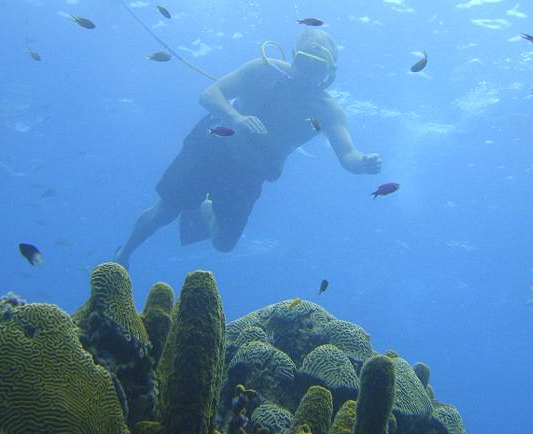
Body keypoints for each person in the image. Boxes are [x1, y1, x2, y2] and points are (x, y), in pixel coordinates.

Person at [115, 29, 382, 268]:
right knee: (164, 211)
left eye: (318, 68)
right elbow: (209, 95)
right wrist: (236, 118)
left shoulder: (327, 110)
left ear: (329, 72)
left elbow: (348, 154)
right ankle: (124, 255)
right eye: (304, 63)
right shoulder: (262, 70)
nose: (307, 74)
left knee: (223, 243)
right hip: (213, 146)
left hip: (251, 170)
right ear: (293, 57)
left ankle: (205, 207)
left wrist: (362, 163)